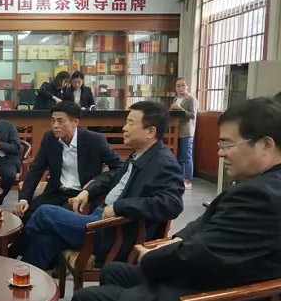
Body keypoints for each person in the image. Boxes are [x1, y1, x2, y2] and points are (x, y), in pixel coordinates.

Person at [66, 97, 281, 301]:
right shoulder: (262, 184)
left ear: (266, 145)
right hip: (222, 285)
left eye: (227, 144)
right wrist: (176, 240)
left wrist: (151, 257)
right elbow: (204, 225)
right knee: (115, 272)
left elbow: (202, 255)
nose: (220, 152)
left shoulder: (261, 196)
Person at [20, 101, 184, 269]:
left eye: (130, 123)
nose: (124, 128)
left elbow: (172, 204)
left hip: (113, 231)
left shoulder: (163, 162)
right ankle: (22, 278)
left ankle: (10, 252)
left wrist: (119, 207)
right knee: (44, 240)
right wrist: (88, 191)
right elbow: (113, 177)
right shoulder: (140, 154)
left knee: (44, 213)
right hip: (101, 217)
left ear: (150, 131)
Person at [13, 101, 123, 225]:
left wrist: (97, 182)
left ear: (75, 122)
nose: (55, 125)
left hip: (82, 195)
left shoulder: (94, 140)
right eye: (53, 121)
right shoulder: (49, 138)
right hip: (56, 192)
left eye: (60, 121)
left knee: (53, 220)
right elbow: (36, 169)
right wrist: (24, 199)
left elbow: (120, 167)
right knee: (23, 215)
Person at [171, 77, 198, 189]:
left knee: (187, 157)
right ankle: (180, 178)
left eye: (183, 85)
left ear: (187, 86)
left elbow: (192, 115)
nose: (180, 88)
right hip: (176, 130)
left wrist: (180, 109)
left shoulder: (191, 99)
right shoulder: (176, 98)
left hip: (186, 131)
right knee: (179, 157)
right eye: (178, 86)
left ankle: (187, 180)